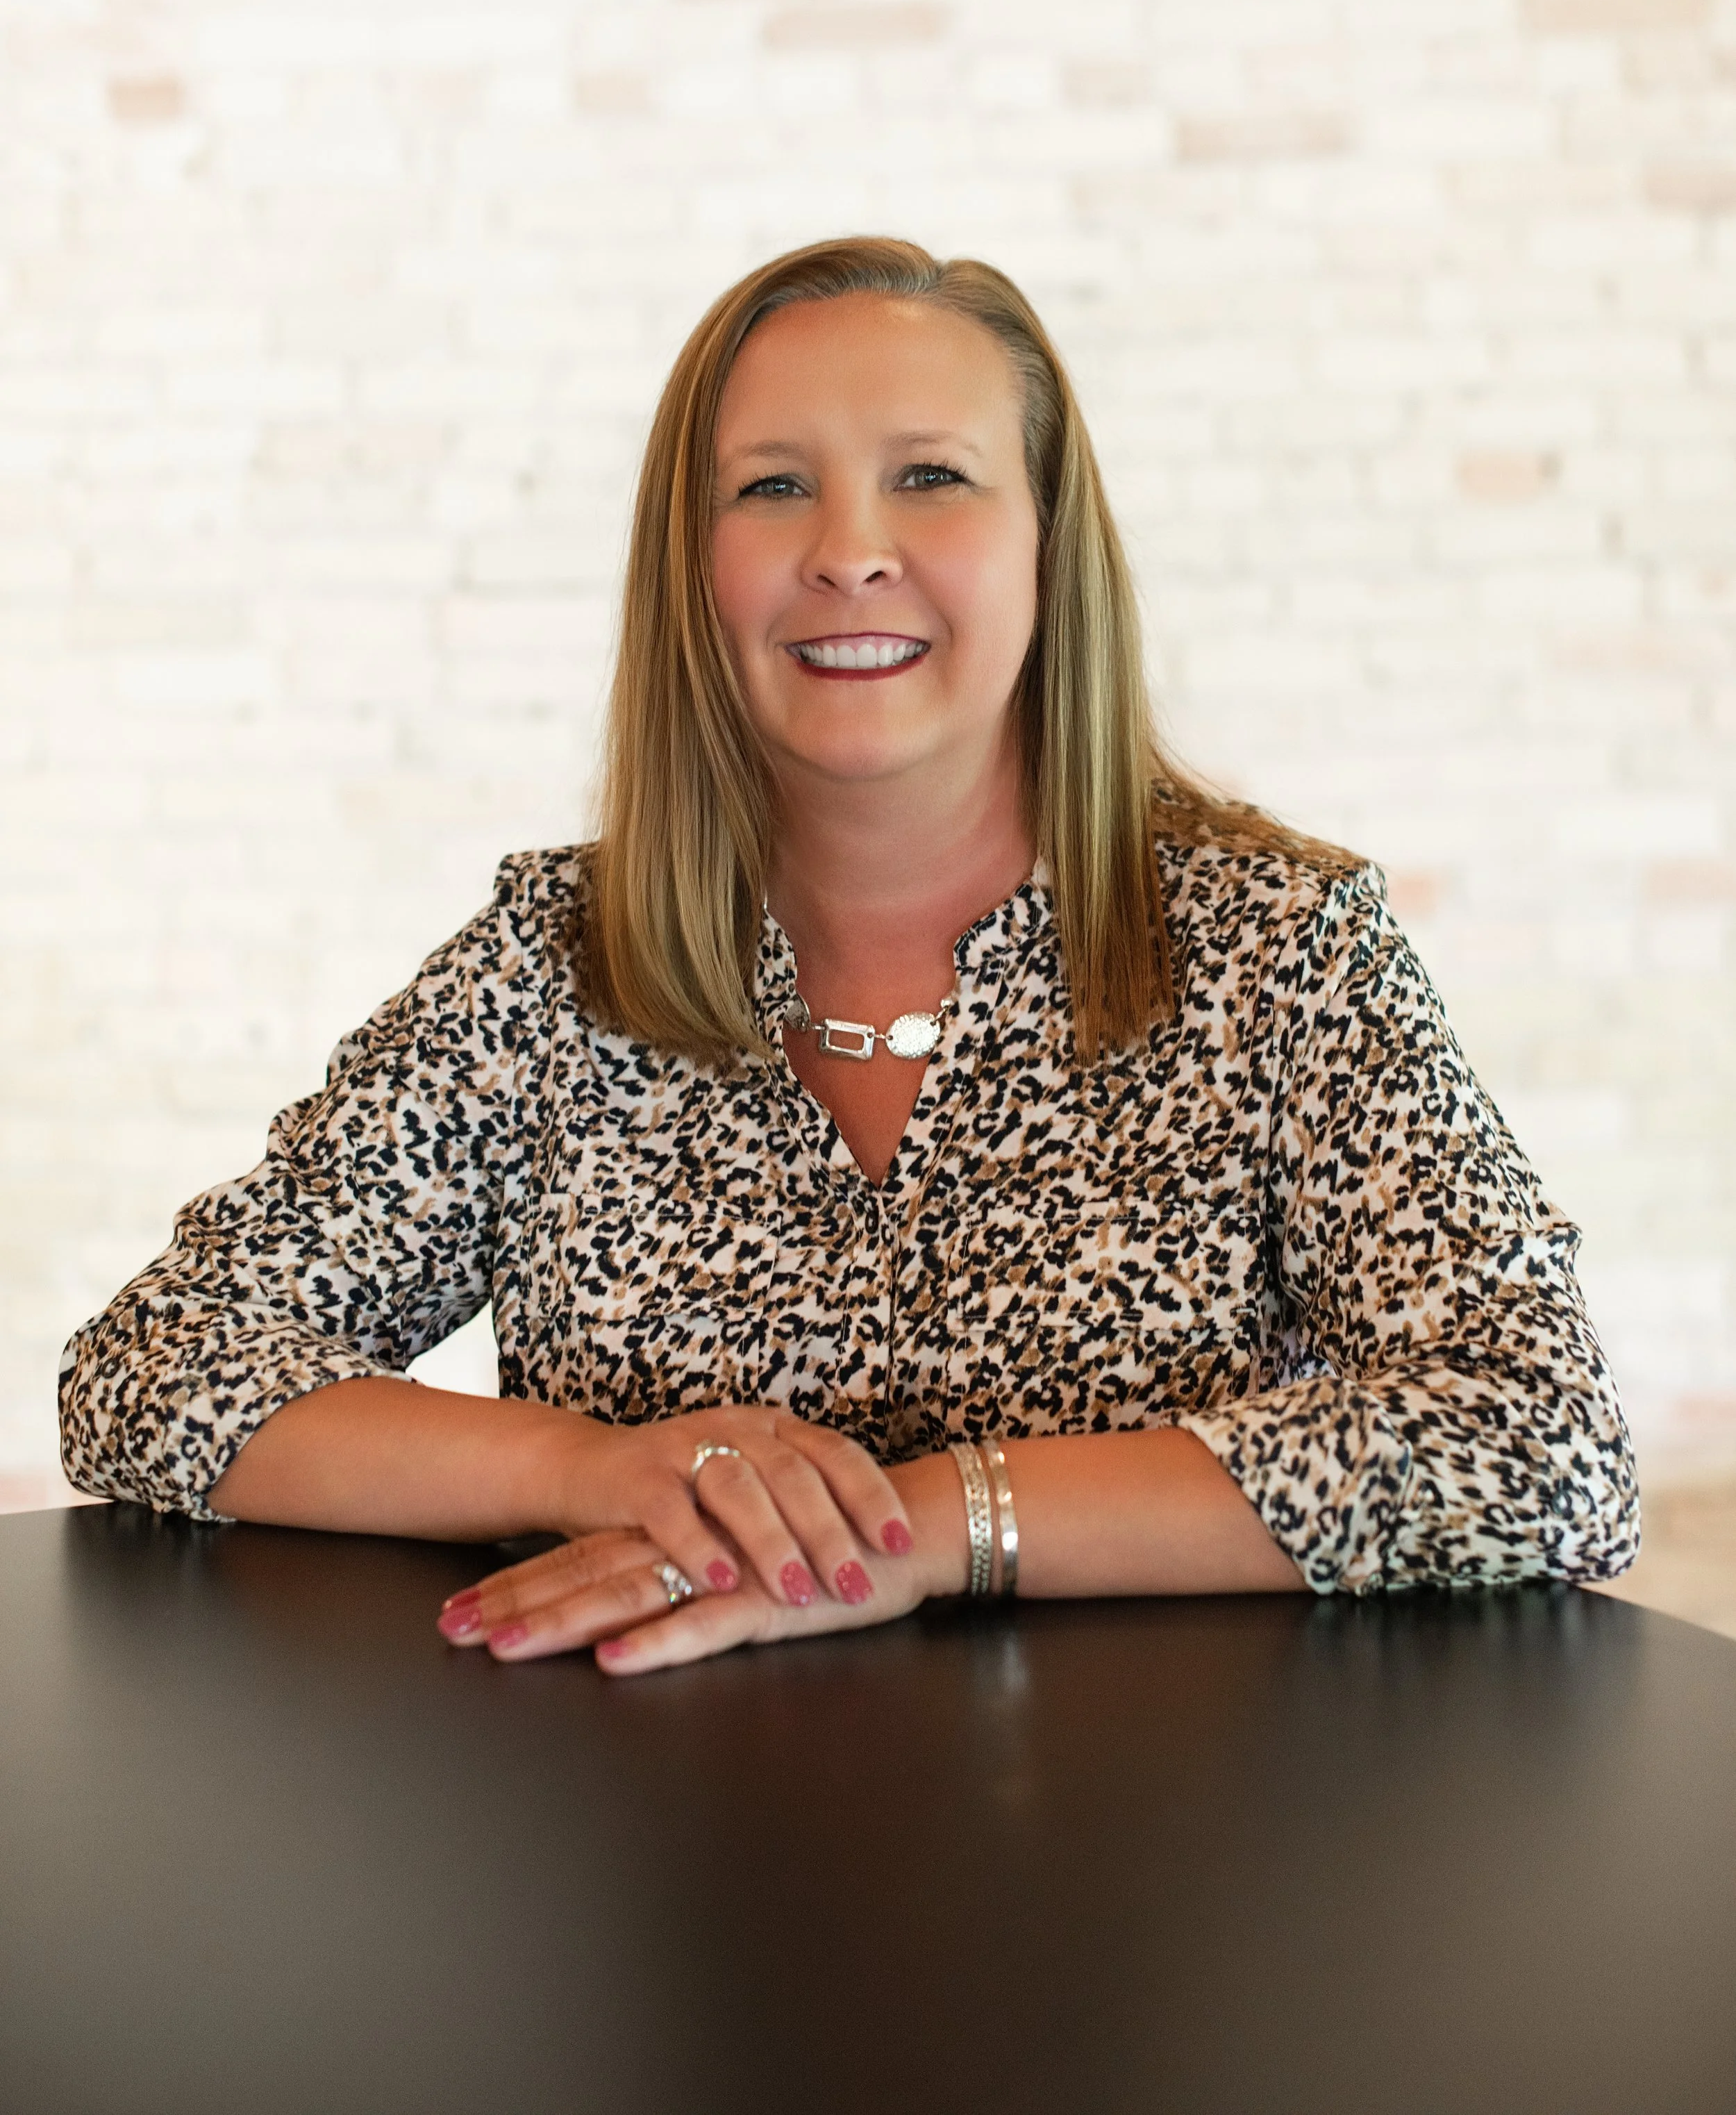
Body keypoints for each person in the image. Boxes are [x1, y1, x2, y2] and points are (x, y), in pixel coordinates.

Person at [60, 236, 1640, 1673]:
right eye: (770, 489)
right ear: (692, 570)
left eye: (932, 478)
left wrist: (929, 1528)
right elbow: (152, 1370)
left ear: (1045, 546)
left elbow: (1545, 1445)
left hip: (1159, 1886)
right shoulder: (553, 967)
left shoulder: (1278, 951)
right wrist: (589, 1467)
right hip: (660, 1890)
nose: (848, 552)